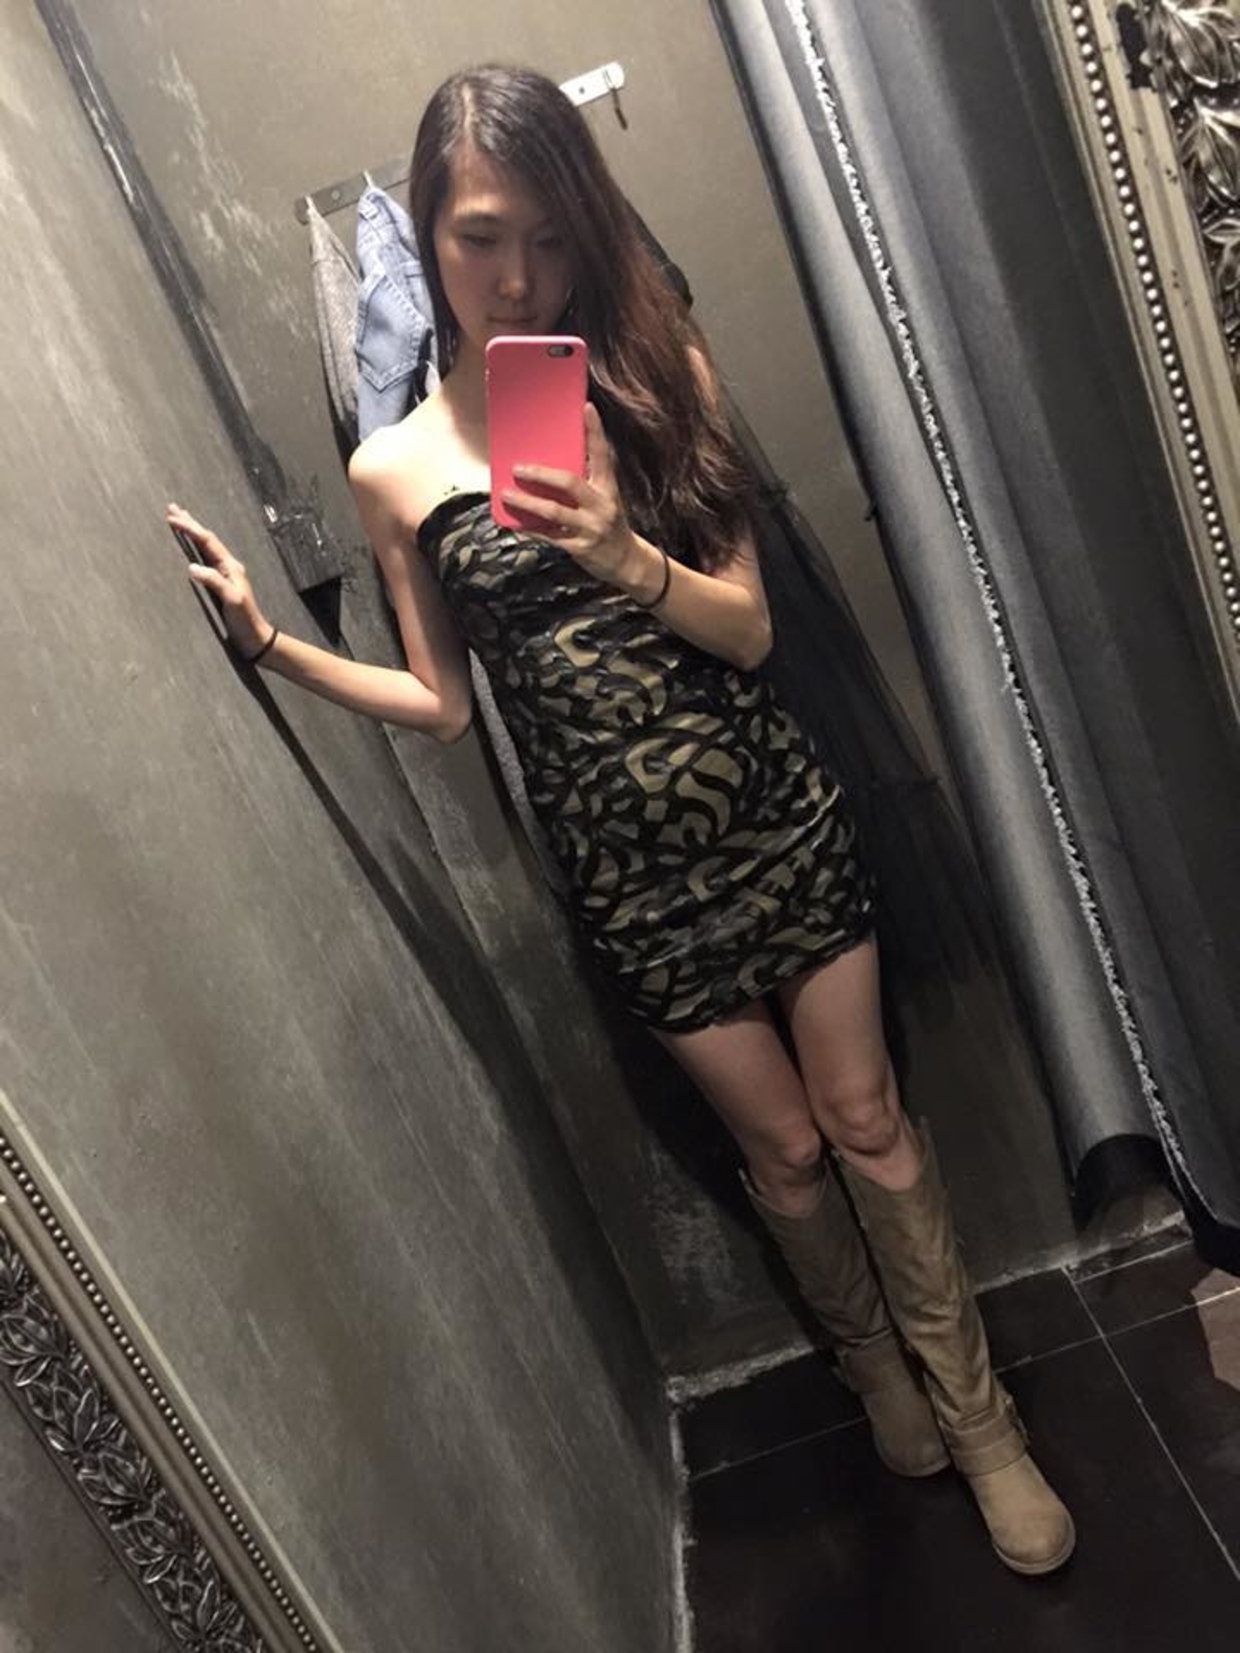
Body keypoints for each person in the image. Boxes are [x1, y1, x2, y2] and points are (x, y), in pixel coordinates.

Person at [166, 63, 1074, 1576]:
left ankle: (983, 1423)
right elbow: (445, 706)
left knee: (867, 1119)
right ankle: (874, 1375)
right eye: (479, 237)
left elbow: (749, 631)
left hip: (774, 821)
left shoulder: (653, 378)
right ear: (430, 231)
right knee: (787, 1153)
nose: (517, 277)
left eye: (546, 237)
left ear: (584, 231)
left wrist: (617, 550)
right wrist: (275, 648)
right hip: (634, 889)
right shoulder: (393, 470)